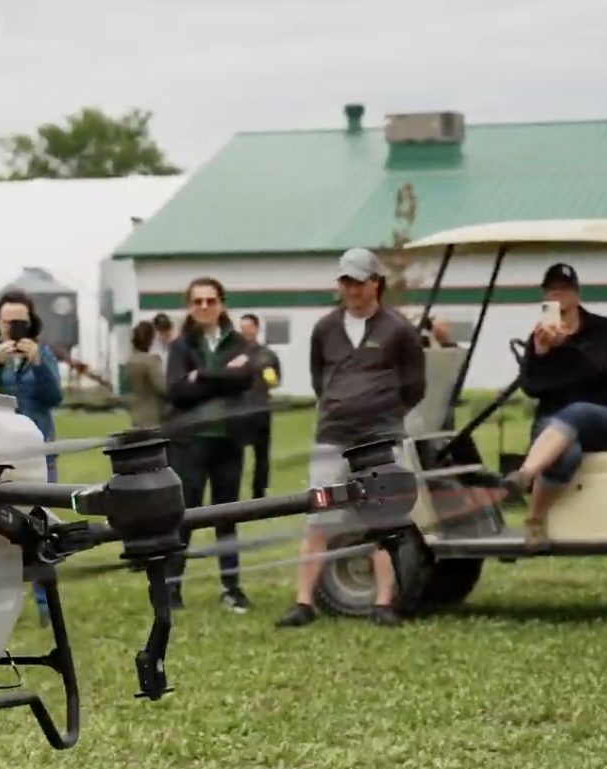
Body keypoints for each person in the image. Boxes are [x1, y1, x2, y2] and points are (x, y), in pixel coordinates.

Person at [277, 248, 426, 629]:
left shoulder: (400, 330)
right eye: (346, 282)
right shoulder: (325, 328)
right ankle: (303, 602)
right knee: (319, 518)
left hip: (379, 437)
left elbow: (414, 386)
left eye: (358, 282)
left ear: (376, 283)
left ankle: (382, 603)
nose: (352, 289)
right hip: (333, 434)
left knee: (385, 518)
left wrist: (383, 412)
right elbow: (318, 379)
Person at [498, 263, 607, 550]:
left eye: (564, 290)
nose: (558, 296)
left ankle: (525, 474)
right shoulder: (539, 337)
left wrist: (566, 345)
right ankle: (535, 521)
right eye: (552, 291)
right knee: (566, 455)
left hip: (603, 419)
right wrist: (542, 354)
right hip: (554, 423)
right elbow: (531, 387)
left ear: (577, 295)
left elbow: (598, 368)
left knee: (578, 410)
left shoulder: (603, 328)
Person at [162, 277, 259, 613]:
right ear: (190, 306)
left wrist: (201, 376)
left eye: (211, 301)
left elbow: (246, 377)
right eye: (198, 301)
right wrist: (220, 376)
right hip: (190, 442)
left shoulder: (238, 342)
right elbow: (176, 390)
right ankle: (172, 588)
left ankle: (232, 587)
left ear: (222, 304)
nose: (204, 307)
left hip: (229, 440)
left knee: (227, 515)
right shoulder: (181, 346)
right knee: (184, 516)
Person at [0, 288, 65, 623]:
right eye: (8, 321)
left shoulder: (43, 355)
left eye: (20, 322)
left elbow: (55, 397)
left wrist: (38, 363)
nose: (13, 328)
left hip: (39, 449)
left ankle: (45, 603)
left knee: (40, 524)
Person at [235, 312, 282, 498]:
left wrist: (271, 379)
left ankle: (259, 493)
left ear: (256, 328)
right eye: (242, 329)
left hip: (261, 410)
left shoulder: (268, 355)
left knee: (262, 456)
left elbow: (276, 381)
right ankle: (232, 493)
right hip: (238, 412)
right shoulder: (235, 354)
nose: (245, 332)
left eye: (248, 328)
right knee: (235, 457)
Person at [122, 320, 168, 429]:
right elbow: (163, 388)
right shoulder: (151, 361)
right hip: (154, 415)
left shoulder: (130, 361)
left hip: (136, 413)